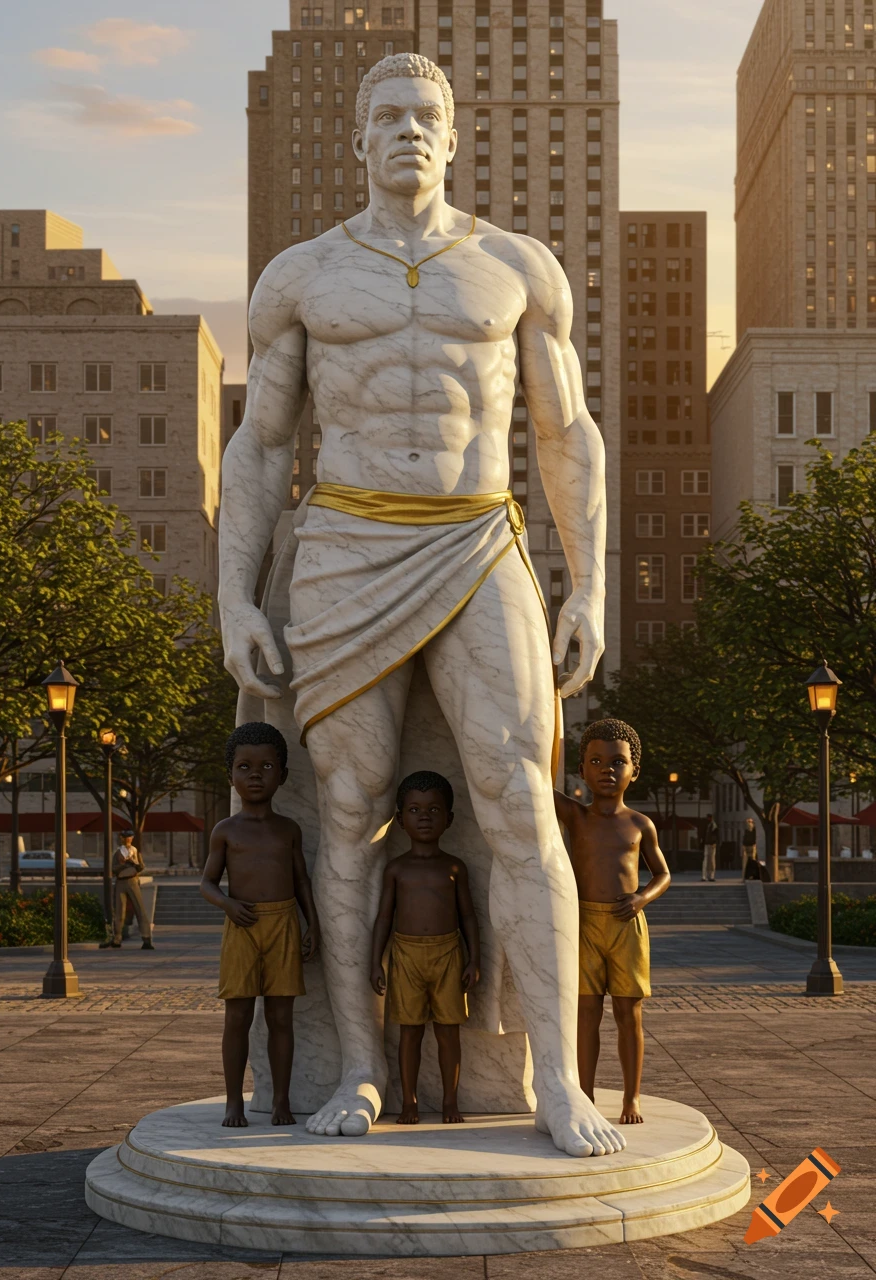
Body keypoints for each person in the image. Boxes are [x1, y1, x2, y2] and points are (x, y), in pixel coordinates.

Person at [219, 52, 625, 1159]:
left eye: (425, 116)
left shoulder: (515, 267)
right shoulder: (299, 276)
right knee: (344, 809)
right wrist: (231, 595)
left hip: (476, 538)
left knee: (516, 797)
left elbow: (564, 432)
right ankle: (354, 1067)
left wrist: (586, 580)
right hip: (342, 544)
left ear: (453, 138)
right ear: (357, 139)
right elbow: (258, 444)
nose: (406, 130)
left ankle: (548, 1075)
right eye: (386, 115)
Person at [200, 722, 320, 1128]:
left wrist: (313, 925)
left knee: (280, 1018)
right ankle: (234, 1101)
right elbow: (207, 882)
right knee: (237, 1017)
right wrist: (228, 904)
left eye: (266, 767)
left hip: (283, 923)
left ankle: (280, 1101)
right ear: (229, 775)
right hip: (243, 927)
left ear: (282, 775)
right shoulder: (226, 831)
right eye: (245, 767)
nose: (255, 775)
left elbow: (302, 880)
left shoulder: (288, 830)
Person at [554, 720, 671, 1125]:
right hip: (584, 923)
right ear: (581, 770)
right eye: (596, 761)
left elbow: (663, 874)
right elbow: (537, 777)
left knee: (628, 1013)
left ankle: (631, 1097)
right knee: (586, 1013)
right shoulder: (575, 816)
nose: (607, 769)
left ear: (634, 771)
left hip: (626, 926)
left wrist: (641, 898)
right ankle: (584, 1094)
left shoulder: (640, 825)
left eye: (618, 762)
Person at [370, 771, 480, 1126]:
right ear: (401, 820)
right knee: (410, 1032)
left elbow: (468, 917)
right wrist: (376, 962)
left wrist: (474, 959)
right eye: (415, 810)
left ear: (448, 818)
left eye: (434, 810)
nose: (425, 816)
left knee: (449, 1031)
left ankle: (451, 1100)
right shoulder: (396, 869)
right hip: (405, 956)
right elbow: (384, 919)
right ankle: (410, 1102)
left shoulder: (454, 867)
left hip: (449, 954)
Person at [110, 831, 154, 950]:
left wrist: (134, 864)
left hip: (132, 880)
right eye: (125, 838)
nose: (127, 840)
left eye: (129, 837)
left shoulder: (135, 851)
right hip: (120, 881)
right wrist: (123, 864)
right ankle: (117, 938)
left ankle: (146, 938)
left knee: (140, 909)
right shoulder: (118, 852)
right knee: (119, 910)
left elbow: (141, 866)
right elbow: (113, 869)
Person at [702, 814, 719, 882]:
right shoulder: (709, 825)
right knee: (707, 860)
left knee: (711, 861)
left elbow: (716, 835)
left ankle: (710, 875)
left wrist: (714, 842)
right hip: (708, 844)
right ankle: (706, 876)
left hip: (711, 844)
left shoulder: (713, 826)